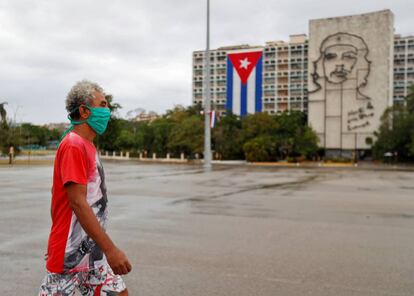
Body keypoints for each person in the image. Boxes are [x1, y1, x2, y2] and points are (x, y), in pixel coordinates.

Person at [39, 80, 131, 295]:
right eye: (103, 104)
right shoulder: (73, 145)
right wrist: (111, 249)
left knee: (119, 293)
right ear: (84, 111)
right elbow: (77, 202)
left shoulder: (86, 145)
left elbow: (58, 196)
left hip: (91, 249)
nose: (107, 111)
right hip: (72, 253)